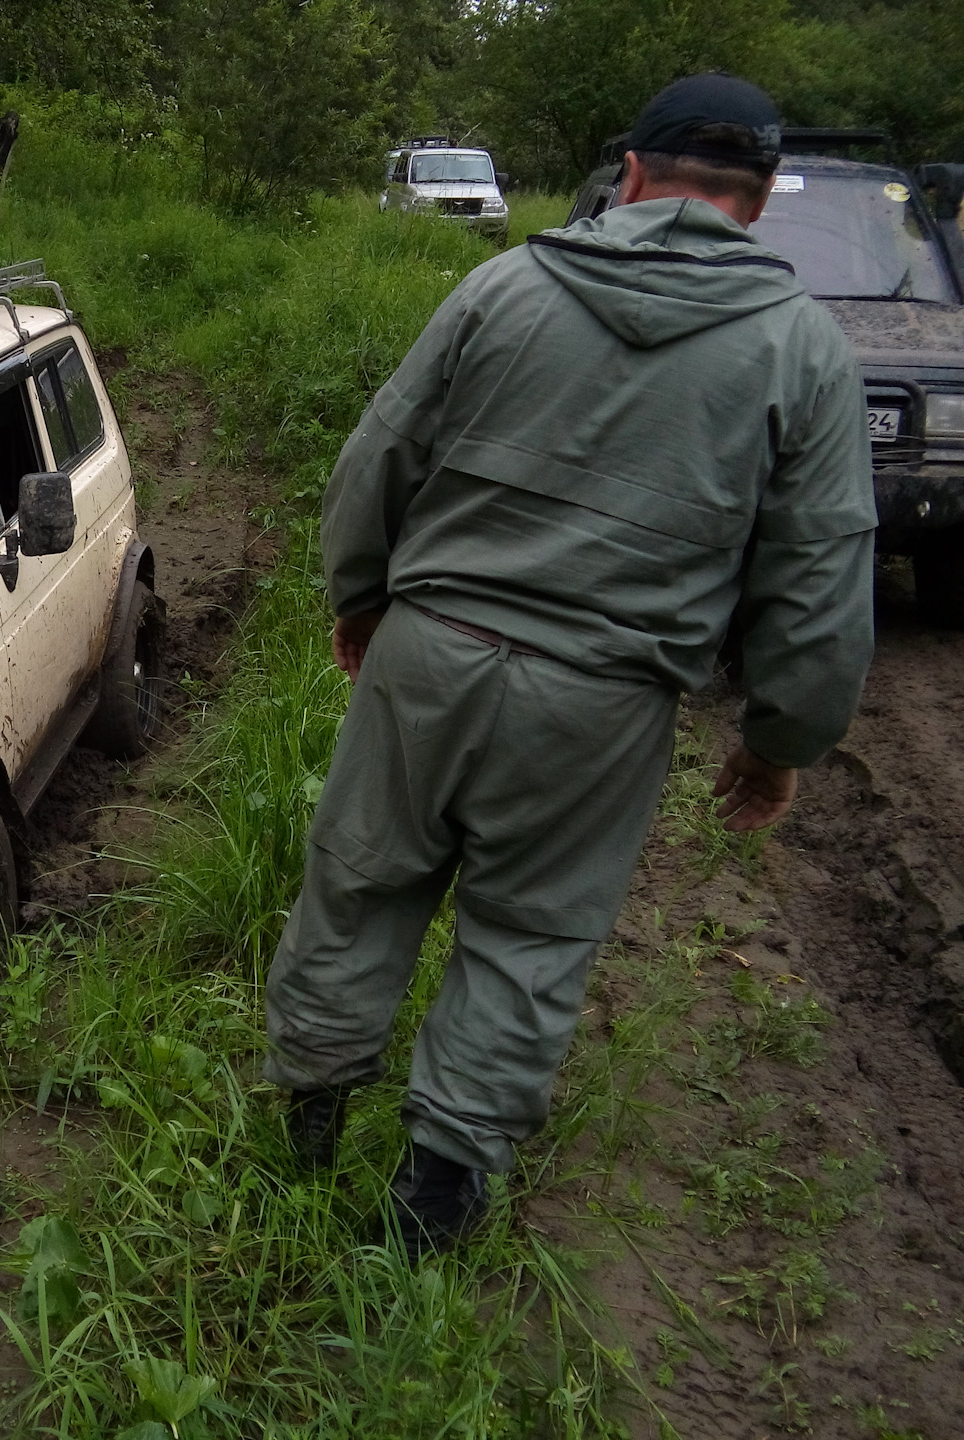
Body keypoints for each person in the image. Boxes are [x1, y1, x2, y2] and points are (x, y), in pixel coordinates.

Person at [265, 73, 874, 1255]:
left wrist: (363, 600)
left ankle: (306, 1125)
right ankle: (433, 1202)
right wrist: (779, 743)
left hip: (429, 653)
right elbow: (821, 576)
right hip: (602, 699)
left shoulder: (506, 284)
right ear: (757, 204)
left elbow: (373, 461)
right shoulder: (804, 348)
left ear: (633, 176)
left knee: (363, 878)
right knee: (531, 932)